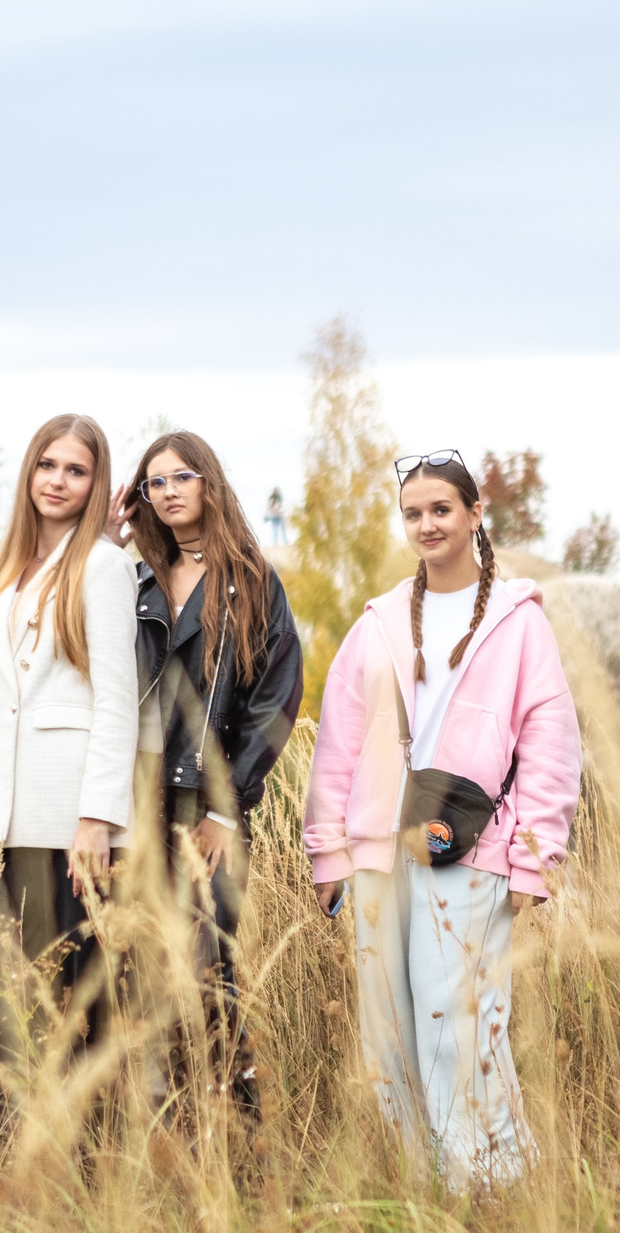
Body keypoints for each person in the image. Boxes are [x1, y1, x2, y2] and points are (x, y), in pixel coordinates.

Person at [301, 448, 581, 1186]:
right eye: (413, 513)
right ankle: (415, 1183)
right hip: (378, 851)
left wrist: (533, 857)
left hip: (473, 847)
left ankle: (488, 1180)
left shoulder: (519, 624)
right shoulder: (380, 623)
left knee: (457, 1020)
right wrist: (328, 853)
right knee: (386, 1026)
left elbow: (550, 745)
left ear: (474, 513)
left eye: (441, 510)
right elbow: (339, 741)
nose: (426, 524)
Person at [0, 413, 139, 1138]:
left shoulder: (107, 568)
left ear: (96, 484)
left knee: (71, 1003)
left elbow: (118, 702)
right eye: (47, 465)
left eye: (76, 470)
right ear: (29, 474)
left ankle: (88, 1170)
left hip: (64, 824)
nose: (58, 480)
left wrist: (98, 819)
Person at [114, 431, 303, 1118]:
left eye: (181, 476)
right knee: (134, 968)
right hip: (132, 805)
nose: (167, 491)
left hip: (206, 808)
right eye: (153, 481)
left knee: (205, 967)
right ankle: (160, 1131)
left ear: (209, 485)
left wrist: (228, 804)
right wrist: (107, 549)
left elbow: (276, 698)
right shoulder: (130, 582)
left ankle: (239, 1128)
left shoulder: (251, 580)